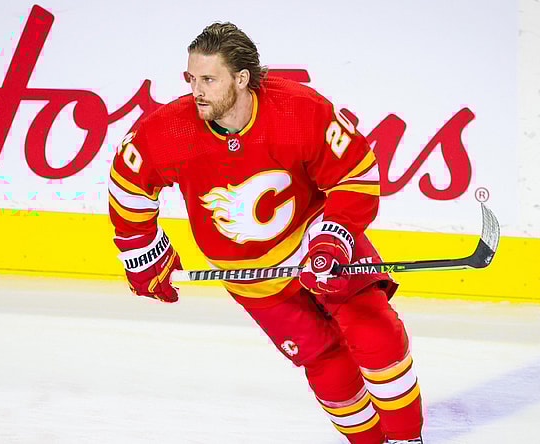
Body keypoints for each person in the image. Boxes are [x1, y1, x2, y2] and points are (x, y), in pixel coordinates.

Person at [108, 22, 424, 444]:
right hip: (251, 278)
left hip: (317, 244)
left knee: (375, 332)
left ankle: (406, 440)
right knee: (326, 363)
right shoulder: (169, 129)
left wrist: (333, 240)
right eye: (190, 78)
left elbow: (355, 175)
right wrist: (146, 254)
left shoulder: (297, 109)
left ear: (241, 78)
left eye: (208, 79)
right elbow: (128, 186)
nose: (195, 90)